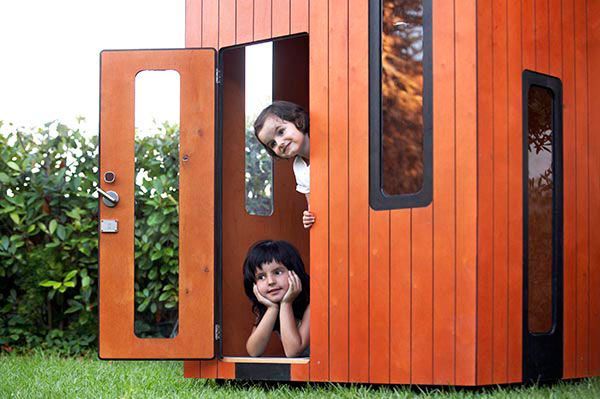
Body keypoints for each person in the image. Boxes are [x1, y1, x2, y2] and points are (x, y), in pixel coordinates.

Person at [253, 101, 316, 229]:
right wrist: (308, 216)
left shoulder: (328, 144)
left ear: (298, 121)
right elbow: (313, 205)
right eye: (272, 144)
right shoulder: (298, 168)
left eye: (281, 132)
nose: (279, 143)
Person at [243, 240, 310, 357]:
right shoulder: (268, 305)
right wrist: (272, 309)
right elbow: (254, 351)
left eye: (278, 272)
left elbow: (293, 351)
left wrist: (286, 303)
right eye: (261, 277)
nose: (271, 282)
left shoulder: (313, 302)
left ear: (295, 273)